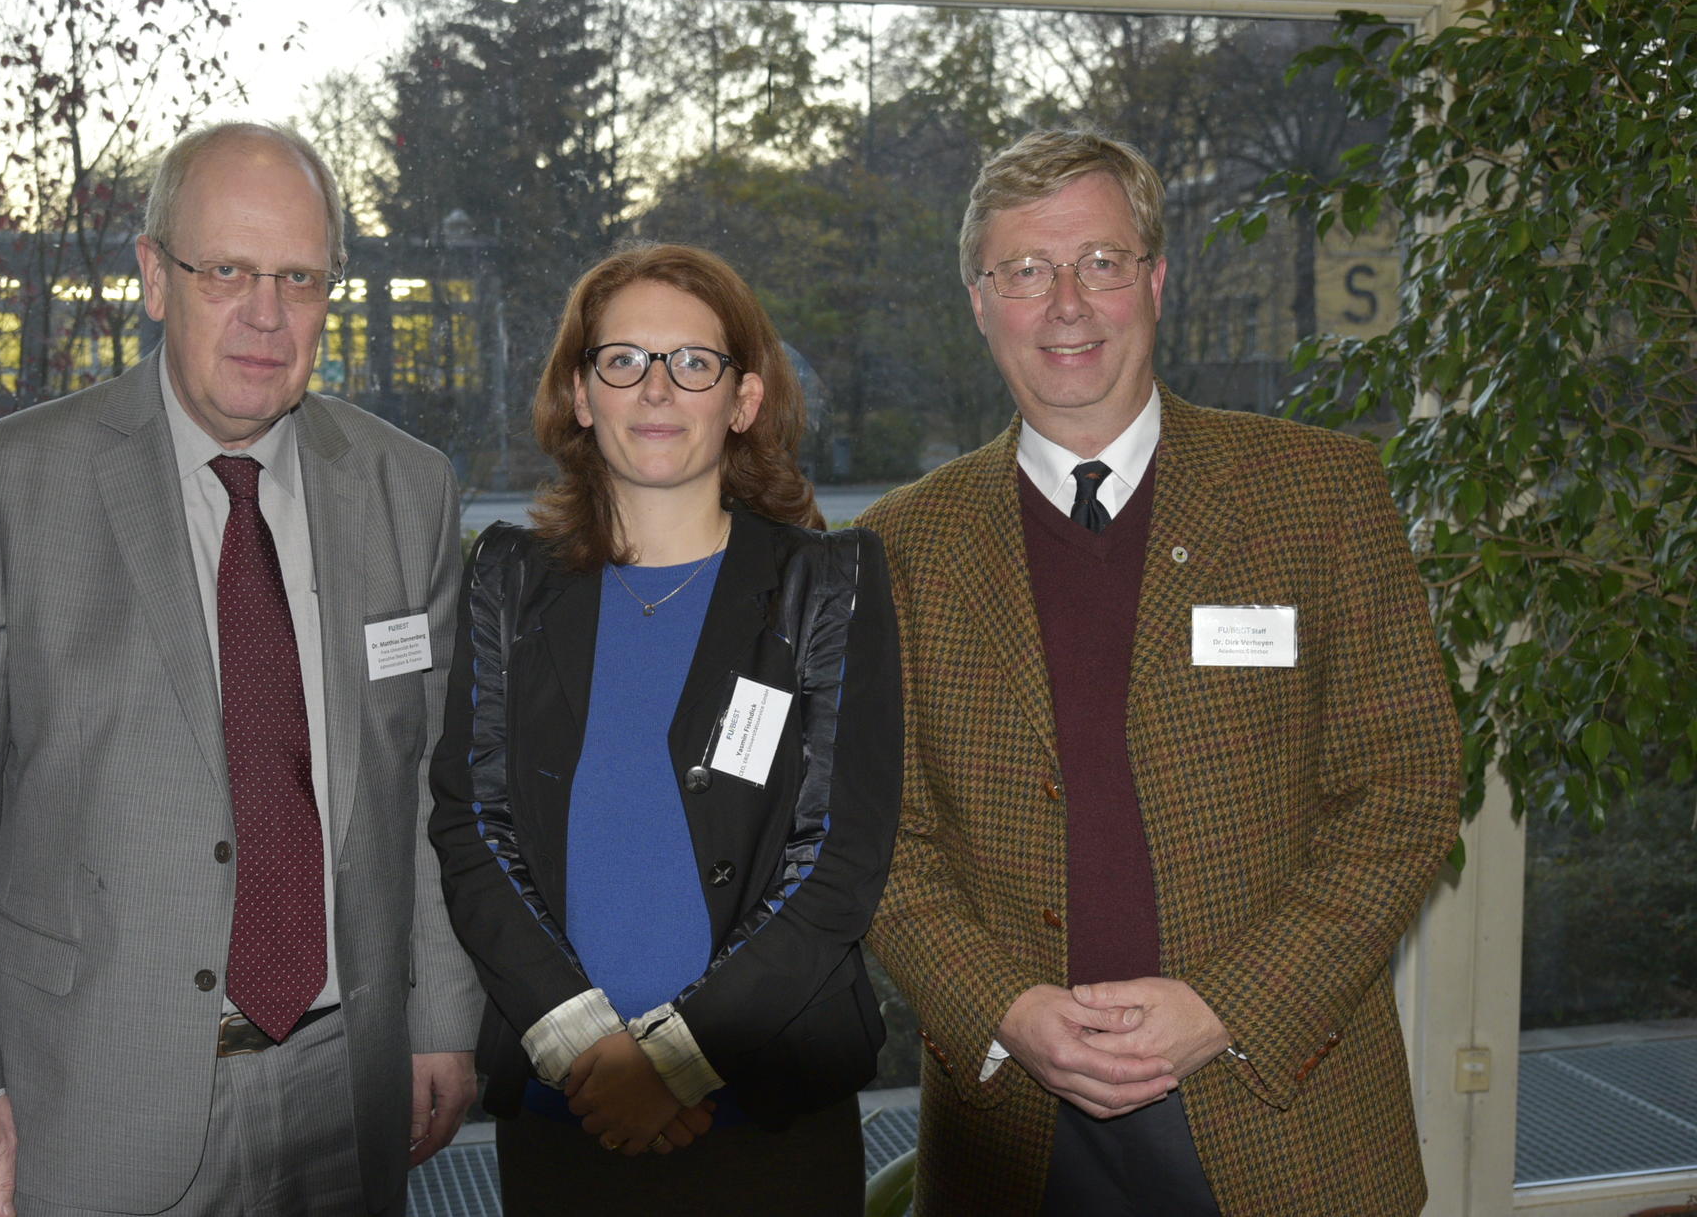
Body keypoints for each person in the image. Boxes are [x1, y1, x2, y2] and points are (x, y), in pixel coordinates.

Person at [0, 121, 482, 1217]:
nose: (264, 311)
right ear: (155, 276)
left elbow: (433, 782)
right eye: (228, 270)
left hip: (349, 1083)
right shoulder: (23, 479)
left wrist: (441, 1016)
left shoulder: (408, 489)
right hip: (94, 1085)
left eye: (299, 277)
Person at [858, 130, 1461, 1215]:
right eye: (1024, 272)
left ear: (1154, 280)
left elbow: (1404, 787)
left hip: (1283, 1099)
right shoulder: (902, 544)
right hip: (1014, 1127)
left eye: (1099, 261)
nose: (1065, 305)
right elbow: (879, 837)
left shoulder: (1316, 494)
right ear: (978, 302)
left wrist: (1229, 1003)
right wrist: (1000, 1006)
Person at [428, 243, 902, 1216]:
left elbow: (836, 858)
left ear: (741, 399)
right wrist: (585, 1050)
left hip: (765, 1109)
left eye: (691, 362)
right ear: (579, 391)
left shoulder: (828, 583)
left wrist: (677, 1063)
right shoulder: (508, 579)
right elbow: (471, 827)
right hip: (569, 1107)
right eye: (622, 360)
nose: (655, 388)